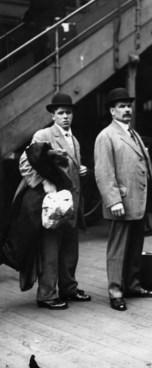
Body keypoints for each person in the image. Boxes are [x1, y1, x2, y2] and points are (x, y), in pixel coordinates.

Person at [18, 92, 91, 309]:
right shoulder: (43, 135)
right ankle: (47, 294)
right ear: (53, 115)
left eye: (69, 113)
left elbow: (67, 166)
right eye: (61, 113)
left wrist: (80, 169)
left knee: (70, 248)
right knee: (50, 249)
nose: (65, 117)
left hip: (72, 202)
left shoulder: (73, 139)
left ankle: (68, 288)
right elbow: (25, 164)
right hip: (53, 204)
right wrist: (44, 184)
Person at [94, 87, 152, 311]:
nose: (126, 110)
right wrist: (114, 201)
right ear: (112, 111)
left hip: (138, 200)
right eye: (121, 106)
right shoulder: (106, 136)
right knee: (118, 249)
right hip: (122, 200)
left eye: (128, 106)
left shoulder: (133, 133)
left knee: (134, 246)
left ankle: (132, 285)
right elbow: (103, 172)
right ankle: (115, 291)